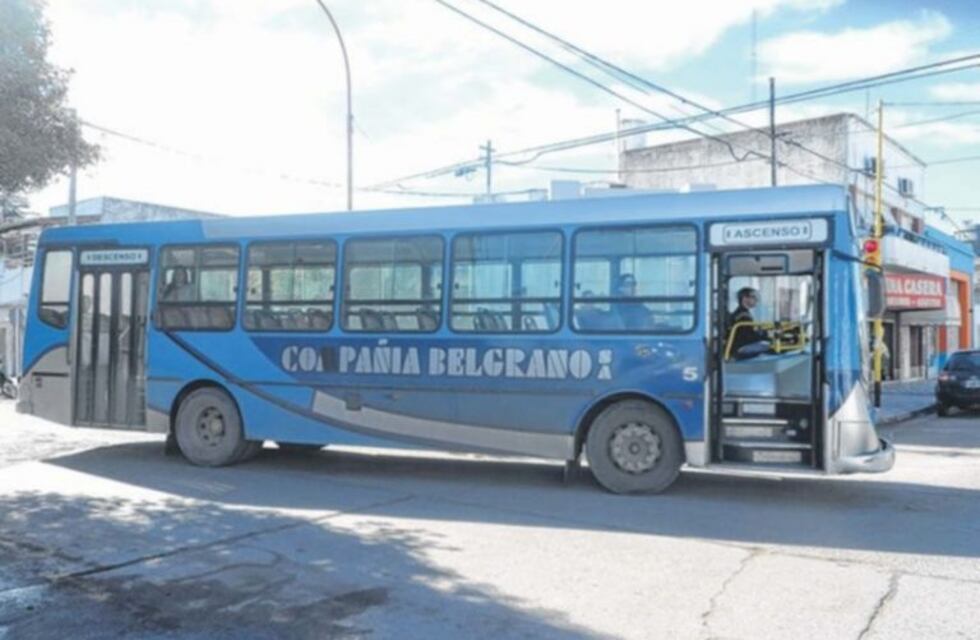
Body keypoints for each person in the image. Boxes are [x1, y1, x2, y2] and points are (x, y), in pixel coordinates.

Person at [727, 286, 769, 358]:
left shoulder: (741, 313)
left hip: (738, 345)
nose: (756, 300)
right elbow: (748, 337)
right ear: (745, 298)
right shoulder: (743, 316)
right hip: (740, 347)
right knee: (768, 345)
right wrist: (763, 334)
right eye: (753, 297)